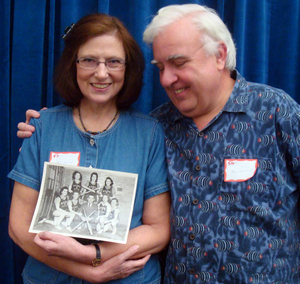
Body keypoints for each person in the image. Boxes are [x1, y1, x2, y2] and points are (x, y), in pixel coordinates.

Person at [16, 3, 300, 283]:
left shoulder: (275, 112)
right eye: (160, 67)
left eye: (178, 63)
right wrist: (41, 132)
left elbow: (157, 228)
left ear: (219, 55)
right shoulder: (161, 125)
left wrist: (93, 257)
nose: (165, 79)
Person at [9, 13, 170, 284]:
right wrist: (91, 272)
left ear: (128, 68)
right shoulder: (42, 126)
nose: (101, 72)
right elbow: (18, 228)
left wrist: (92, 254)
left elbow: (158, 229)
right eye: (89, 60)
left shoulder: (150, 133)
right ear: (73, 65)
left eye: (114, 62)